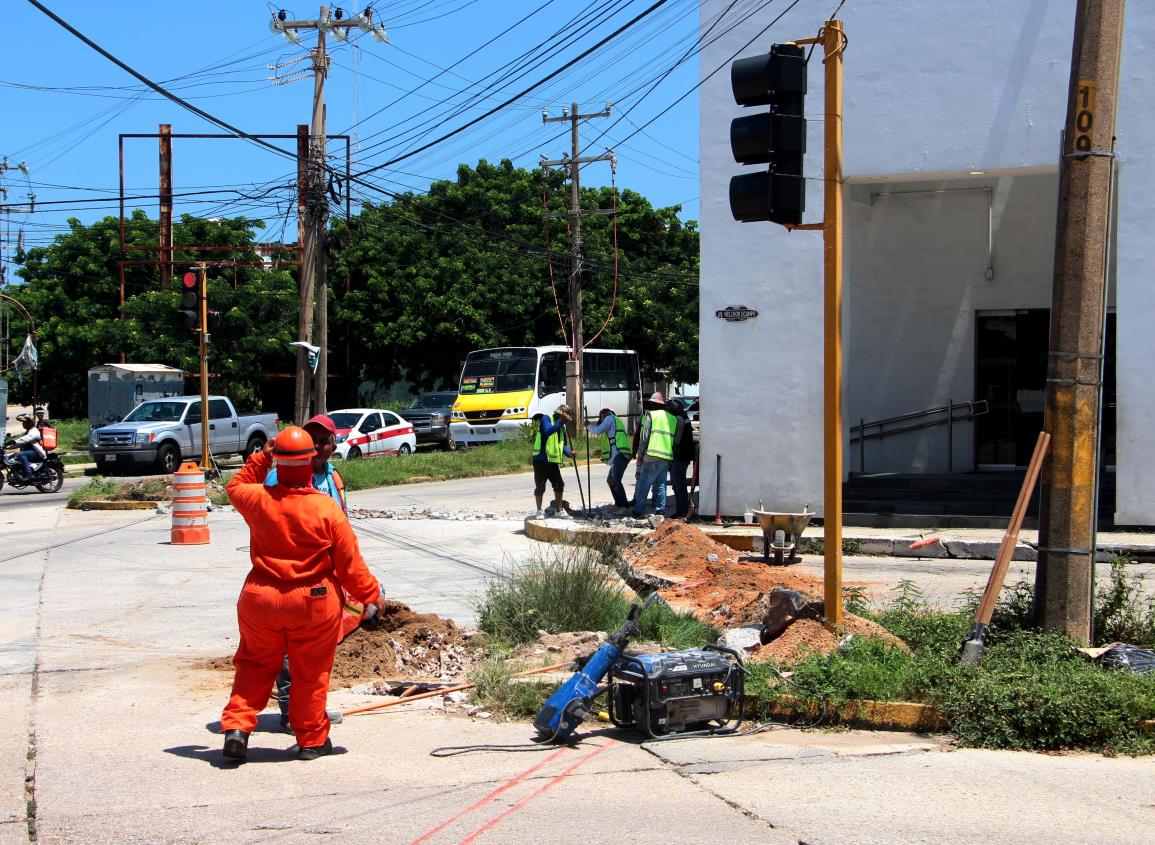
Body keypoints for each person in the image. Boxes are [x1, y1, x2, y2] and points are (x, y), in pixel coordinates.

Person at [220, 425, 386, 762]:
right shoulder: (326, 510)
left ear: (279, 461)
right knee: (310, 672)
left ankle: (237, 728)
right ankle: (311, 739)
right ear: (311, 461)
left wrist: (262, 457)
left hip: (260, 597)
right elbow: (350, 566)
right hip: (313, 601)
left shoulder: (258, 500)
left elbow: (234, 485)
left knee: (253, 664)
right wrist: (371, 596)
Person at [263, 414, 356, 731]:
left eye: (323, 440)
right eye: (311, 439)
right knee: (291, 645)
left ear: (333, 444)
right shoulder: (279, 478)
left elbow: (343, 526)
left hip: (325, 579)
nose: (317, 446)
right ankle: (292, 712)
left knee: (316, 649)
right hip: (290, 578)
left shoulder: (333, 478)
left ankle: (310, 710)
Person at [632, 392, 677, 517]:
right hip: (666, 456)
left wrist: (640, 455)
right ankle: (660, 511)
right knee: (661, 483)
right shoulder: (672, 418)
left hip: (651, 455)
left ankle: (638, 510)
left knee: (643, 484)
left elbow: (644, 437)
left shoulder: (651, 415)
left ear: (653, 404)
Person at [529, 405, 574, 520]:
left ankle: (559, 511)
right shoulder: (546, 418)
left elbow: (562, 444)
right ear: (560, 414)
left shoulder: (562, 427)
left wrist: (569, 453)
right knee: (540, 486)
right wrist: (560, 422)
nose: (566, 420)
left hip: (552, 461)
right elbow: (548, 431)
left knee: (559, 485)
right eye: (565, 417)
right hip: (541, 459)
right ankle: (539, 511)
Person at [586, 407, 631, 509]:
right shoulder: (615, 421)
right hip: (620, 453)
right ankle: (619, 504)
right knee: (610, 480)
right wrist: (602, 452)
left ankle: (624, 507)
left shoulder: (609, 418)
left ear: (602, 415)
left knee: (616, 481)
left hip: (620, 454)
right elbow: (612, 441)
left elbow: (598, 430)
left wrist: (588, 425)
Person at [668, 400, 696, 519]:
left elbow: (677, 440)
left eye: (669, 407)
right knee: (678, 483)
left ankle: (681, 510)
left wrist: (671, 453)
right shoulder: (684, 418)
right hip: (683, 456)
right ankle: (682, 508)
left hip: (679, 456)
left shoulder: (679, 419)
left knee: (678, 484)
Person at [10, 414, 46, 479]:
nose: (23, 424)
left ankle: (29, 473)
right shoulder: (27, 432)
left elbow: (26, 439)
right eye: (23, 422)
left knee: (21, 454)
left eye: (25, 422)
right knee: (13, 457)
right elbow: (19, 444)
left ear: (30, 423)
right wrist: (7, 446)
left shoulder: (34, 431)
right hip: (30, 452)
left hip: (37, 453)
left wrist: (15, 441)